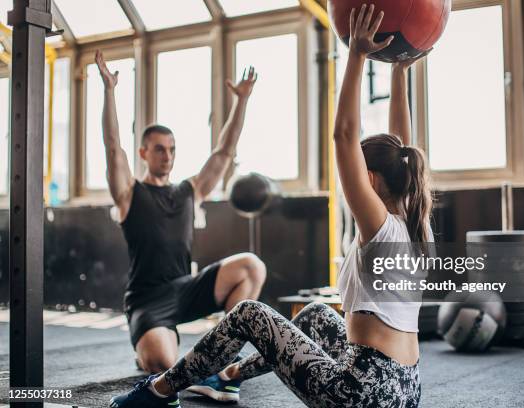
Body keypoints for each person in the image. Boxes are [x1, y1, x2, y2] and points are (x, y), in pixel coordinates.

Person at [108, 5, 433, 407]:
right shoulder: (416, 221)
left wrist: (357, 55)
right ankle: (228, 375)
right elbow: (401, 143)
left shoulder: (379, 225)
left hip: (363, 394)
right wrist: (400, 70)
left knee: (249, 313)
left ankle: (157, 392)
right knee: (315, 314)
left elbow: (344, 135)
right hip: (405, 389)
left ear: (369, 181)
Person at [95, 50, 267, 375]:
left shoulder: (190, 191)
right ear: (144, 152)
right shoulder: (129, 193)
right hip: (147, 300)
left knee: (252, 267)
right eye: (159, 149)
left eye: (172, 149)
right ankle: (151, 347)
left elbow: (225, 151)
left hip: (186, 288)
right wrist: (109, 90)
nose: (167, 156)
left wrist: (242, 100)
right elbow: (112, 145)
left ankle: (222, 353)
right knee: (164, 366)